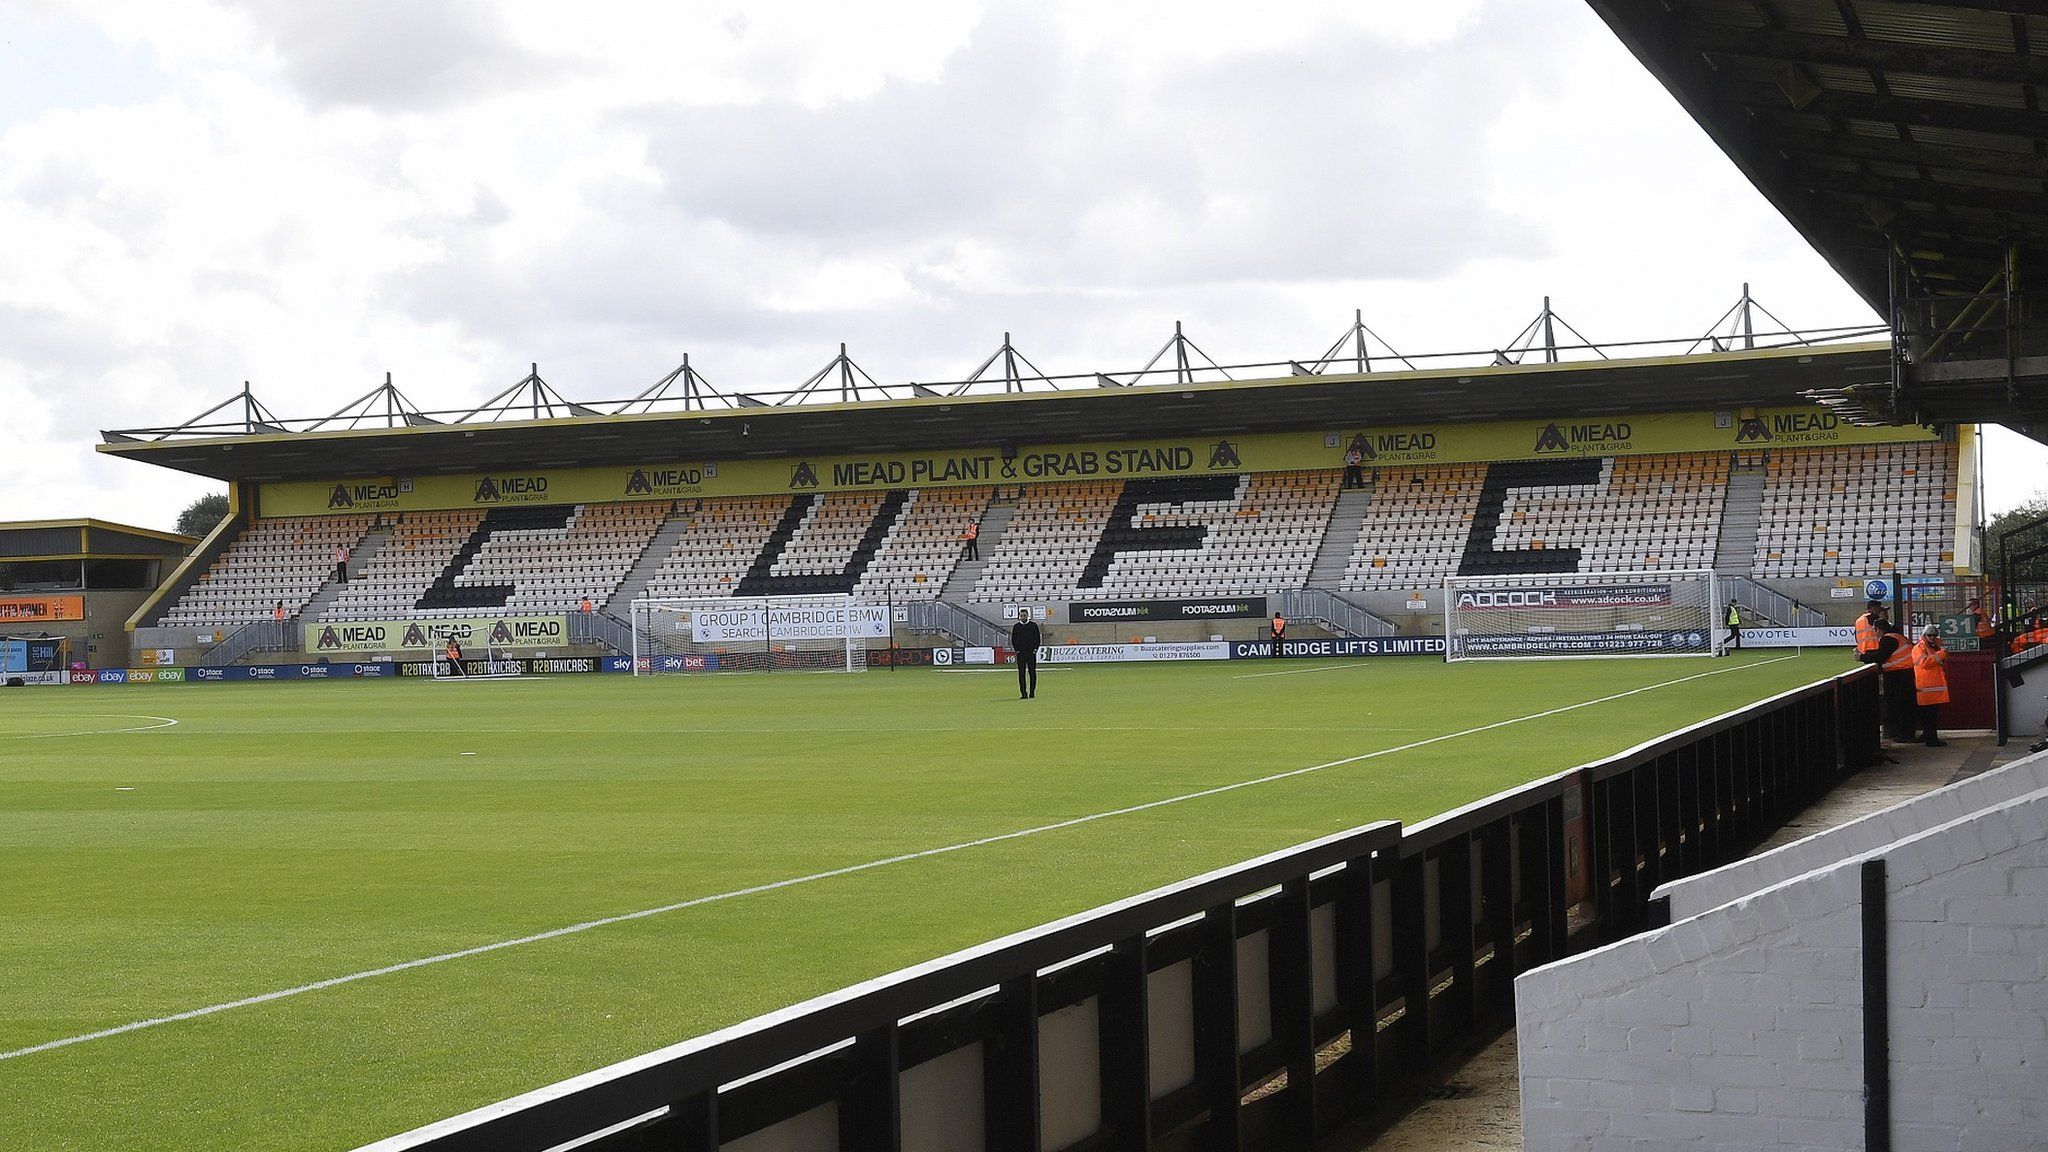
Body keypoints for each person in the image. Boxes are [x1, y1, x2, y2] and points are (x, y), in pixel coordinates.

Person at [1876, 616, 1916, 743]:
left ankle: (1904, 734)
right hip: (1906, 673)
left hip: (1898, 676)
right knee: (1906, 705)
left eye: (1875, 630)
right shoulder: (1898, 637)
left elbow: (1881, 655)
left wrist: (1863, 657)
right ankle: (1907, 733)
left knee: (1899, 705)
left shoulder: (1888, 639)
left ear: (1879, 630)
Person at [1911, 624, 1948, 748]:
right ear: (1924, 636)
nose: (1932, 638)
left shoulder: (1931, 647)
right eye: (1929, 635)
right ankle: (1931, 740)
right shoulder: (1920, 647)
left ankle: (1929, 737)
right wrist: (1942, 653)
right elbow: (1925, 663)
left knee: (1931, 716)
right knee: (1929, 717)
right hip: (1926, 688)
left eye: (1934, 635)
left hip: (1930, 689)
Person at [1010, 613, 1041, 699]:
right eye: (1022, 615)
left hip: (1031, 653)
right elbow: (1013, 639)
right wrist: (1017, 650)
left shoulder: (1033, 626)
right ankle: (1023, 693)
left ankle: (1032, 692)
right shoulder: (1016, 627)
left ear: (1027, 616)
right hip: (1021, 654)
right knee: (1021, 673)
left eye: (1025, 615)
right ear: (1020, 616)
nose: (1023, 617)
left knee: (1032, 672)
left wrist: (1035, 649)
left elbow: (1037, 638)